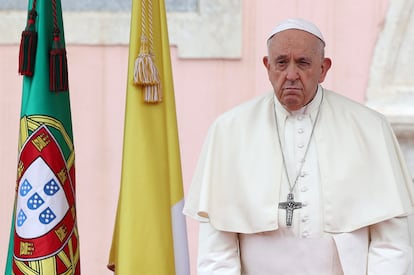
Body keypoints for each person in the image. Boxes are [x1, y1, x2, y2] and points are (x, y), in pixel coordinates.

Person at [183, 18, 414, 274]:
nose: (291, 74)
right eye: (281, 62)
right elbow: (217, 252)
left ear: (323, 68)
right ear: (267, 66)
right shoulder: (228, 131)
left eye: (303, 63)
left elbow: (392, 244)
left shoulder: (370, 129)